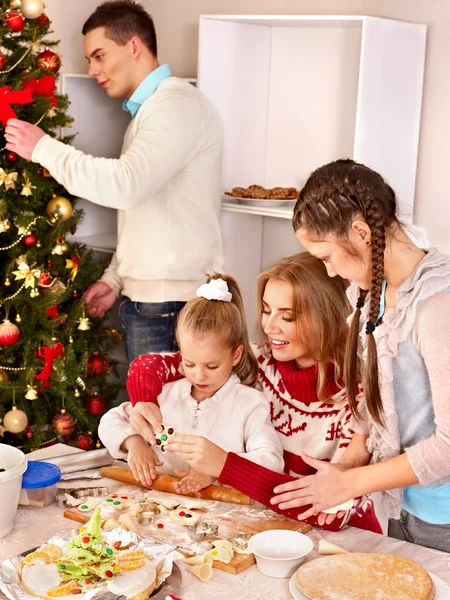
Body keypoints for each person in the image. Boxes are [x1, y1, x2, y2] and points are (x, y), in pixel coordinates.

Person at [5, 0, 224, 362]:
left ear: (134, 45)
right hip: (154, 303)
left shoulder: (174, 106)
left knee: (161, 419)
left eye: (99, 55)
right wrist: (115, 280)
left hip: (170, 307)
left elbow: (125, 186)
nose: (92, 70)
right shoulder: (154, 110)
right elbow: (147, 212)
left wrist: (43, 148)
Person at [124, 253, 382, 533]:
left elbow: (327, 513)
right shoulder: (258, 360)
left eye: (288, 316)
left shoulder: (357, 402)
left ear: (328, 318)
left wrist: (224, 466)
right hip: (276, 530)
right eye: (266, 310)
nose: (269, 327)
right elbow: (151, 365)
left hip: (347, 541)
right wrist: (144, 399)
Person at [267, 159, 450, 552]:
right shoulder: (371, 292)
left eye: (326, 257)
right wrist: (348, 463)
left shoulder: (438, 305)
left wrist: (350, 483)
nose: (330, 273)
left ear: (361, 232)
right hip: (401, 505)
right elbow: (377, 408)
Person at [98, 273, 284, 488]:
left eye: (212, 366)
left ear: (236, 355)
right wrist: (134, 443)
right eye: (189, 363)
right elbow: (111, 421)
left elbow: (272, 462)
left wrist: (219, 471)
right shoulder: (165, 393)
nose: (199, 376)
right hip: (160, 506)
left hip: (218, 513)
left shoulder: (250, 404)